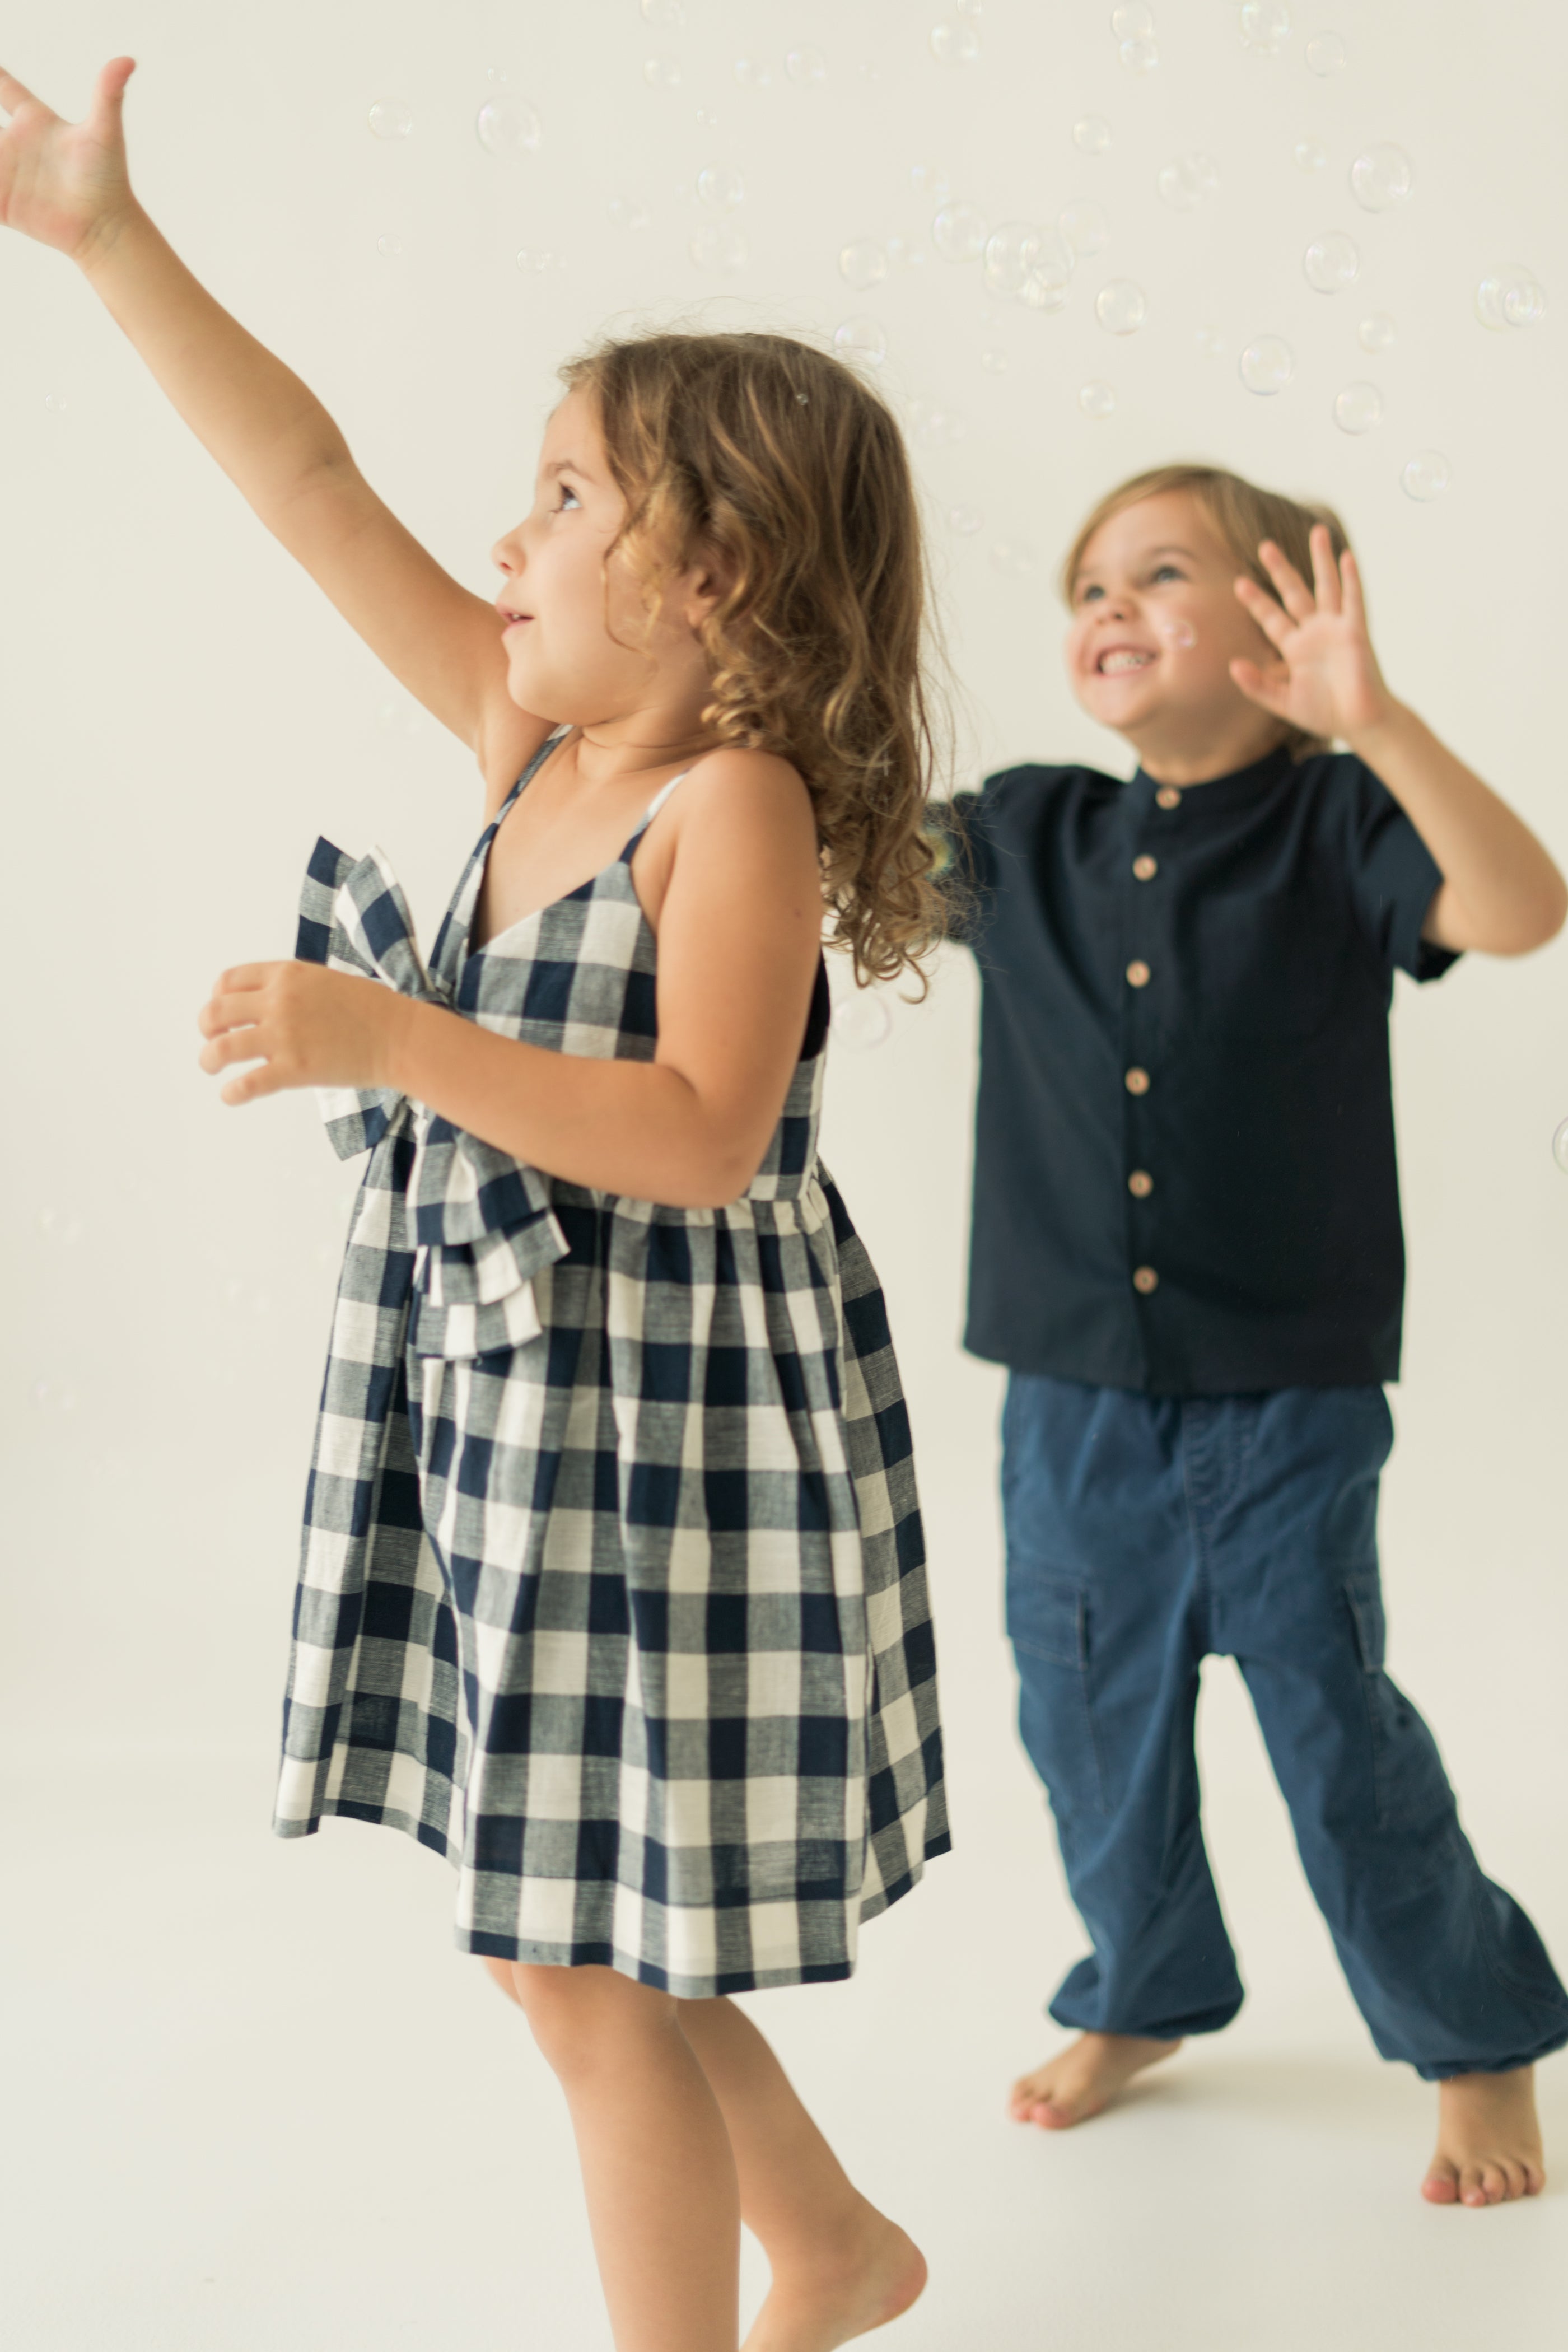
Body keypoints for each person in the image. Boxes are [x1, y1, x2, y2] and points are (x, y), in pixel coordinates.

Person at [0, 57, 949, 2351]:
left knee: (578, 1946)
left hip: (664, 1445)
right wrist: (107, 238)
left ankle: (744, 2301)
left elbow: (708, 1131)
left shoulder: (726, 807)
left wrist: (395, 1041)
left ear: (709, 570)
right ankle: (826, 2245)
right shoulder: (531, 739)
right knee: (582, 1921)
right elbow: (304, 481)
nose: (502, 542)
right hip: (516, 1405)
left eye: (556, 498)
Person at [936, 460, 1568, 2210]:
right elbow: (832, 859)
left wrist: (1384, 724)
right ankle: (1144, 1989)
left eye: (1159, 574)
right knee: (1083, 1721)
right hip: (1068, 1396)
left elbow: (1522, 908)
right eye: (1086, 587)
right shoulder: (1027, 829)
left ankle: (1474, 2029)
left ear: (1287, 620)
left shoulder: (1341, 822)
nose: (1109, 607)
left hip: (1284, 1396)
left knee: (1329, 1724)